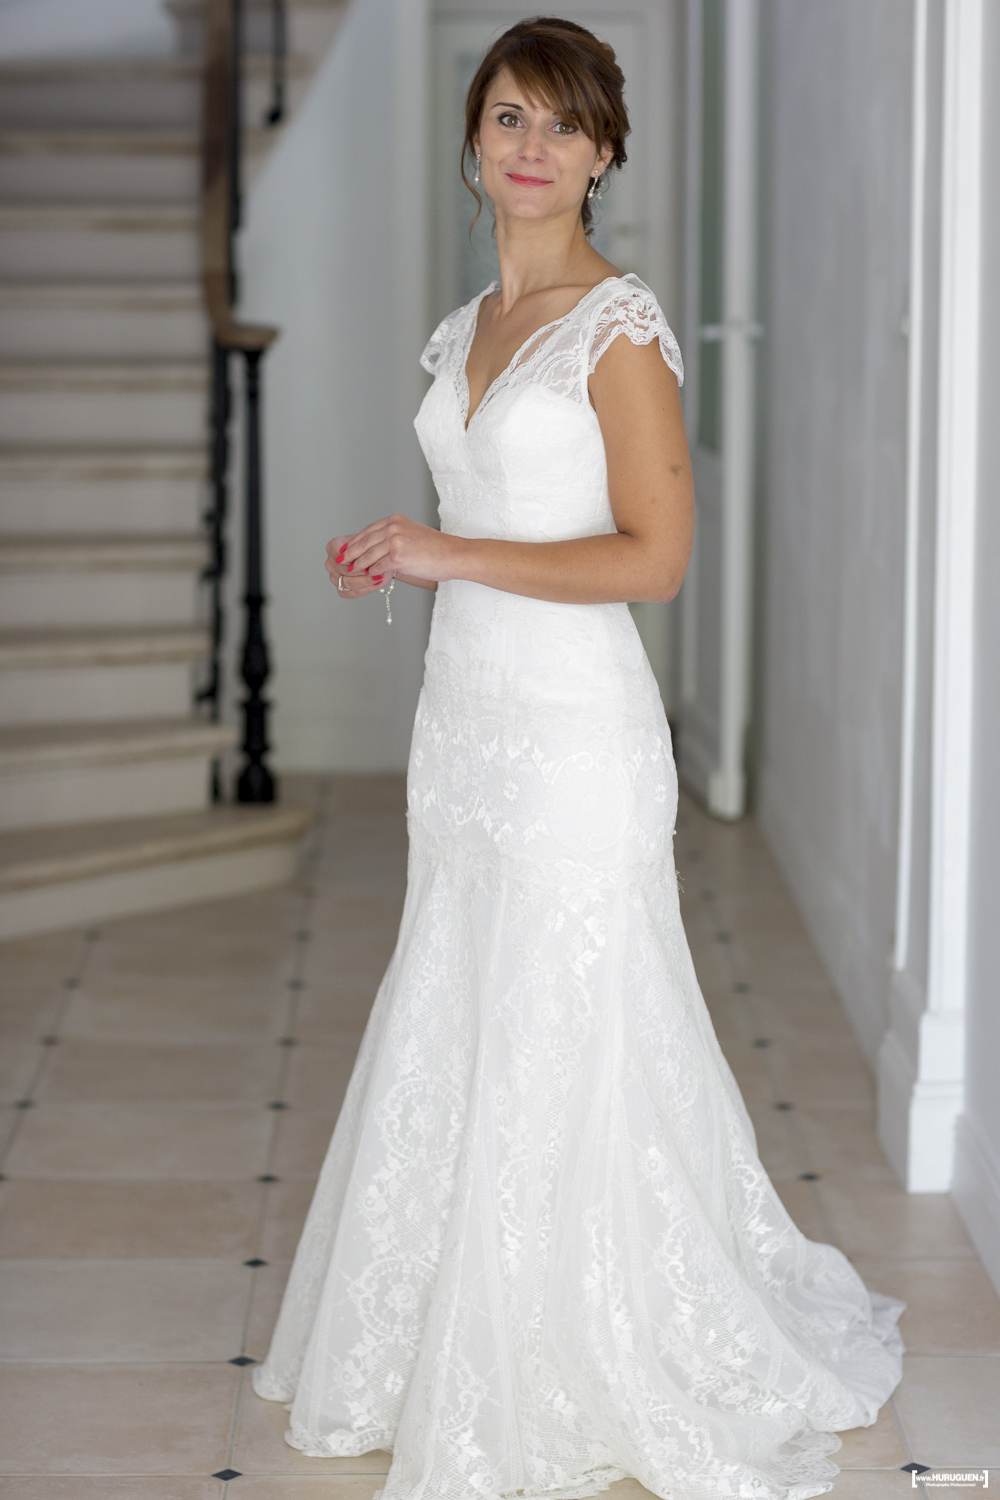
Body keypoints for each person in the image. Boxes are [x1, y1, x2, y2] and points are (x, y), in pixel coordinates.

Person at [252, 18, 905, 1500]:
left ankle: (567, 1354)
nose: (532, 146)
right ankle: (447, 1331)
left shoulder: (620, 327)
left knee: (568, 1033)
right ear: (474, 144)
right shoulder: (463, 329)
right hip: (466, 730)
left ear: (605, 150)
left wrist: (447, 549)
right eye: (508, 118)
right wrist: (405, 552)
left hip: (573, 744)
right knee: (464, 1008)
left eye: (561, 123)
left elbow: (655, 560)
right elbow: (485, 517)